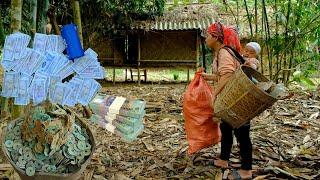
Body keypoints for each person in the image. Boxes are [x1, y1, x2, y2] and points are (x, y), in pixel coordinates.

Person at [201, 22, 253, 180]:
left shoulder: (224, 53)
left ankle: (246, 170)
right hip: (231, 98)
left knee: (241, 133)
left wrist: (214, 94)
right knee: (226, 129)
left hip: (237, 100)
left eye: (208, 35)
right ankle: (224, 160)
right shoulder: (222, 52)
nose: (206, 38)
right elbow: (222, 74)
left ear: (216, 38)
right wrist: (206, 77)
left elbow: (228, 75)